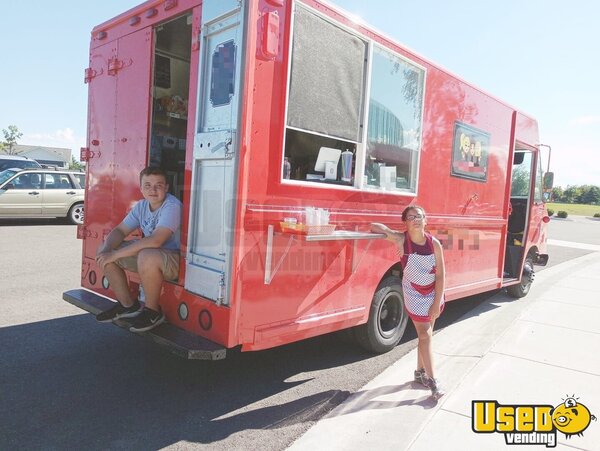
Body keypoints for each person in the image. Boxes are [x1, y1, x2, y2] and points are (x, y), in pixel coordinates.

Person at [371, 205, 446, 399]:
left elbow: (440, 276)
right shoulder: (402, 240)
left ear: (425, 220)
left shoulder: (434, 243)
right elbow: (375, 226)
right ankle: (434, 382)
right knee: (425, 335)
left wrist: (436, 302)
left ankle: (420, 373)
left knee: (425, 337)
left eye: (419, 216)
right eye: (411, 217)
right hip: (413, 293)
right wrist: (393, 235)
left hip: (433, 294)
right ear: (405, 222)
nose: (416, 219)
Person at [95, 166, 182, 333]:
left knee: (146, 254)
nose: (153, 190)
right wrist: (106, 250)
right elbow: (120, 231)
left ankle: (153, 312)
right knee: (104, 250)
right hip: (152, 257)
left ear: (167, 188)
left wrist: (115, 255)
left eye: (159, 185)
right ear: (141, 189)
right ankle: (128, 305)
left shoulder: (172, 206)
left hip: (175, 260)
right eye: (148, 185)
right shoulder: (142, 206)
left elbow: (157, 240)